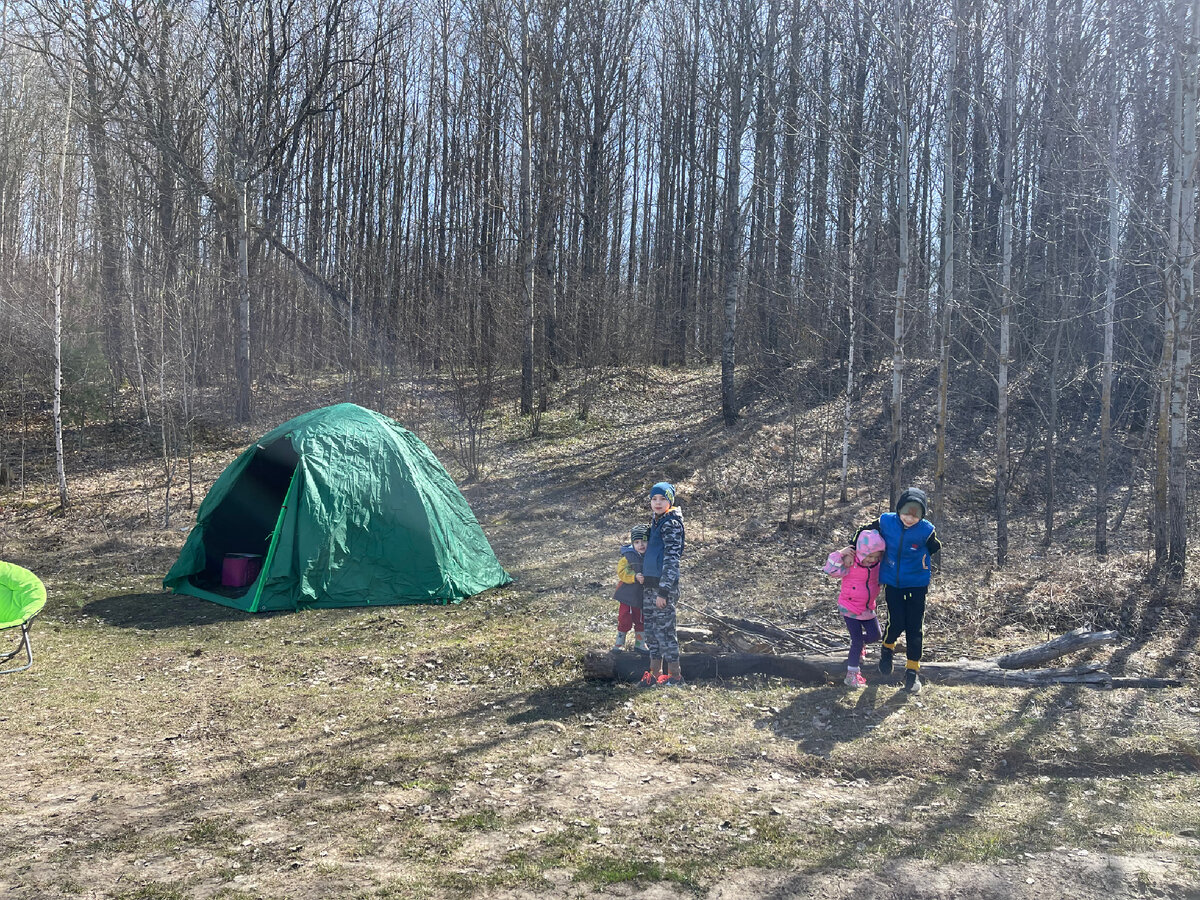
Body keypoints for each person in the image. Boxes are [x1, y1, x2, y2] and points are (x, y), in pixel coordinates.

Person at [846, 487, 941, 694]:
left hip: (917, 584)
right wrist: (850, 548)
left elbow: (935, 547)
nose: (909, 518)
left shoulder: (926, 530)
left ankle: (911, 673)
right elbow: (861, 533)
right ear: (899, 510)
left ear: (922, 516)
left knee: (915, 628)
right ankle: (887, 649)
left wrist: (923, 562)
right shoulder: (886, 522)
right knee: (896, 622)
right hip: (892, 582)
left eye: (915, 515)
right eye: (906, 513)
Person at [823, 529, 886, 687]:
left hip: (867, 608)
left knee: (875, 635)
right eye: (868, 556)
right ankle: (851, 674)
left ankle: (859, 646)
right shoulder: (849, 563)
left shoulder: (877, 565)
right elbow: (830, 570)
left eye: (875, 557)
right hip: (849, 608)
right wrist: (839, 554)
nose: (871, 560)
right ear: (860, 552)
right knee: (856, 641)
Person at [638, 482, 685, 687]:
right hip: (649, 586)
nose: (658, 503)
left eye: (662, 499)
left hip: (662, 589)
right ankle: (654, 674)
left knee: (665, 632)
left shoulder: (671, 524)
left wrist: (664, 592)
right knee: (652, 632)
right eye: (654, 499)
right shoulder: (657, 521)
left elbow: (671, 560)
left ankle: (675, 676)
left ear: (670, 501)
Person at [613, 524, 649, 652]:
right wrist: (634, 576)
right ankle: (619, 642)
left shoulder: (650, 556)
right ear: (633, 543)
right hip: (627, 594)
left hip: (641, 594)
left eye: (644, 541)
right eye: (637, 542)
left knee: (641, 618)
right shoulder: (628, 556)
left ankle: (640, 643)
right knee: (625, 617)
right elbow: (621, 572)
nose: (641, 545)